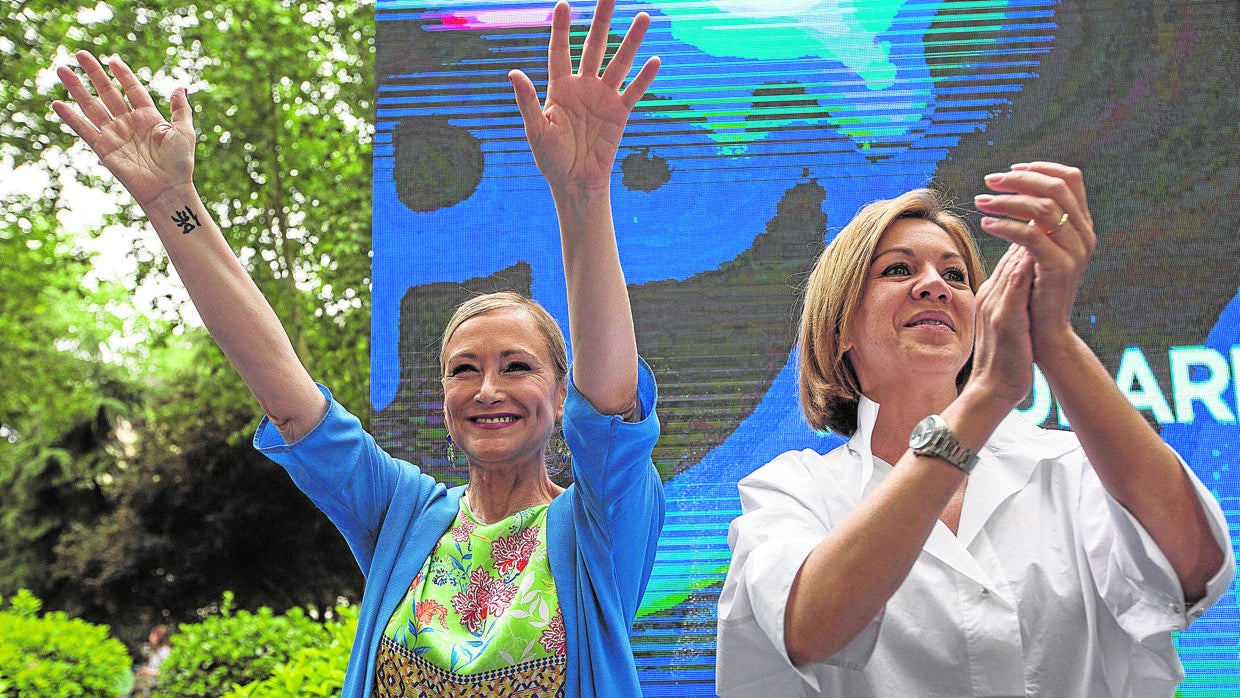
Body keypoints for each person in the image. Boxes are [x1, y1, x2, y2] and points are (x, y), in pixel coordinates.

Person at [52, 0, 663, 695]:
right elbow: (283, 388)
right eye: (464, 370)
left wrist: (583, 193)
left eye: (516, 366)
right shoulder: (403, 515)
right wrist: (171, 202)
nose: (487, 388)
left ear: (562, 395)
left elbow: (612, 410)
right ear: (443, 403)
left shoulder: (598, 528)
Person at [716, 168, 1235, 696]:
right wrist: (987, 396)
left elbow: (1196, 569)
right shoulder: (792, 492)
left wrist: (1051, 338)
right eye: (897, 269)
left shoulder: (1073, 467)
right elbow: (809, 627)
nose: (935, 285)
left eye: (957, 275)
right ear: (839, 326)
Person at [132, 625, 172, 698]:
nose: (150, 637)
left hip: (161, 690)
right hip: (154, 690)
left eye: (152, 634)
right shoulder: (158, 651)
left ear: (159, 637)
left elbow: (168, 673)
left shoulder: (164, 652)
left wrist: (148, 671)